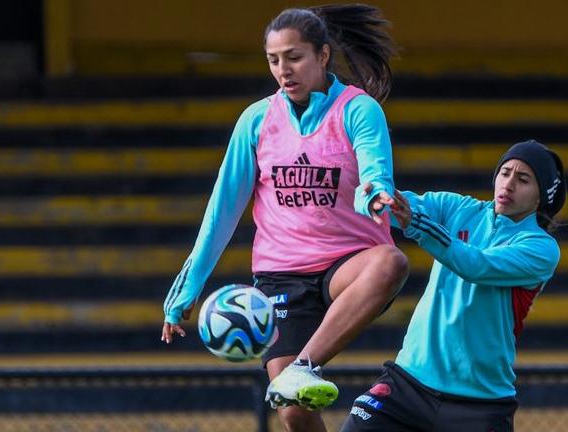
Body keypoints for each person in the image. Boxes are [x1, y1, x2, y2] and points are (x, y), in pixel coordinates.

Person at [159, 5, 409, 431]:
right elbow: (222, 210)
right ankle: (299, 377)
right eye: (274, 60)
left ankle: (305, 365)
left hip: (345, 265)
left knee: (391, 261)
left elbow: (374, 167)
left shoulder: (357, 109)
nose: (283, 70)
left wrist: (375, 191)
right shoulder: (256, 120)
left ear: (323, 56)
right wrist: (185, 292)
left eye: (294, 57)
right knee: (294, 412)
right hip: (281, 277)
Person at [341, 140, 566, 432]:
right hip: (408, 382)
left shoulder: (541, 248)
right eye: (505, 172)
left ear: (540, 198)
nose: (508, 184)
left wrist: (417, 224)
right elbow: (398, 205)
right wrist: (375, 198)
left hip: (480, 403)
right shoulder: (457, 207)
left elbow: (476, 264)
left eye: (523, 179)